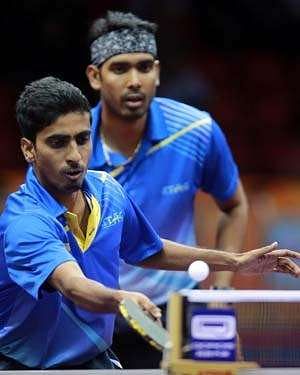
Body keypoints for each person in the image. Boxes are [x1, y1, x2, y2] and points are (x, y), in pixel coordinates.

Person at [0, 76, 299, 370]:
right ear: (29, 149)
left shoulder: (106, 190)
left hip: (93, 359)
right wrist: (122, 299)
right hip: (28, 365)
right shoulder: (25, 223)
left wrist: (235, 261)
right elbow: (73, 286)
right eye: (58, 143)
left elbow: (149, 249)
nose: (76, 156)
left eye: (82, 139)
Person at [85, 10, 247, 368]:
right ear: (95, 77)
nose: (134, 80)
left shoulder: (195, 132)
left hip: (174, 305)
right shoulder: (71, 144)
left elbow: (234, 206)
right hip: (94, 311)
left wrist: (220, 292)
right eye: (119, 68)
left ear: (158, 72)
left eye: (144, 67)